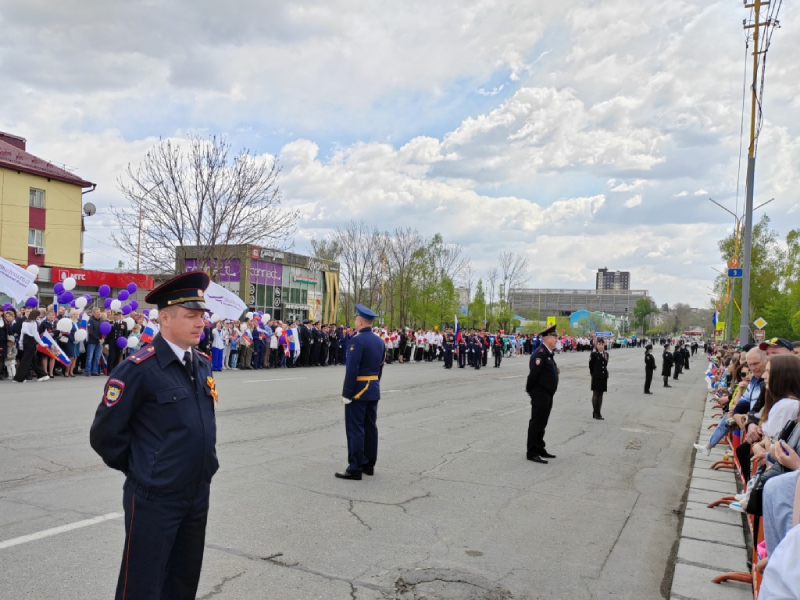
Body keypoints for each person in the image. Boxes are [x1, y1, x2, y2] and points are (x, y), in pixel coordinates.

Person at [89, 271, 218, 600]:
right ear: (165, 318)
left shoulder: (201, 364)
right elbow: (105, 435)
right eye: (191, 316)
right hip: (154, 498)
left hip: (195, 493)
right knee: (142, 587)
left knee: (182, 582)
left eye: (201, 316)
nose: (200, 323)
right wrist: (145, 468)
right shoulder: (138, 369)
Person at [336, 304, 385, 481]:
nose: (355, 321)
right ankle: (369, 464)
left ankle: (355, 467)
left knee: (355, 428)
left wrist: (347, 393)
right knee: (370, 427)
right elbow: (380, 367)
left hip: (358, 390)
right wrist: (374, 384)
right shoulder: (379, 340)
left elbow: (352, 369)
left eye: (356, 318)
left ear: (361, 321)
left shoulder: (357, 340)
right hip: (372, 388)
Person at [525, 325, 560, 464]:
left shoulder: (548, 352)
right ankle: (532, 451)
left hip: (547, 393)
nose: (557, 339)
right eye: (555, 337)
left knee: (543, 422)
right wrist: (531, 391)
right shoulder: (540, 353)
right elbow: (533, 374)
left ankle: (539, 447)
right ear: (547, 338)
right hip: (540, 393)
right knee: (536, 422)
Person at [13, 309, 49, 383]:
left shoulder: (25, 322)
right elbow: (36, 335)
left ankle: (41, 375)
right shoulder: (33, 323)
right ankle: (19, 378)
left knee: (33, 358)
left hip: (25, 341)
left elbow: (22, 333)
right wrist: (42, 343)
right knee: (26, 360)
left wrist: (20, 343)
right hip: (31, 341)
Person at [589, 339, 609, 420]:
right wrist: (593, 374)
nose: (601, 346)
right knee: (596, 394)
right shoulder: (593, 354)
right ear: (596, 346)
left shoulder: (606, 354)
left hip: (604, 376)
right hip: (596, 376)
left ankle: (598, 412)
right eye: (599, 344)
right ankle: (595, 412)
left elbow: (605, 364)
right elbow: (591, 366)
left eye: (602, 344)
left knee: (601, 394)